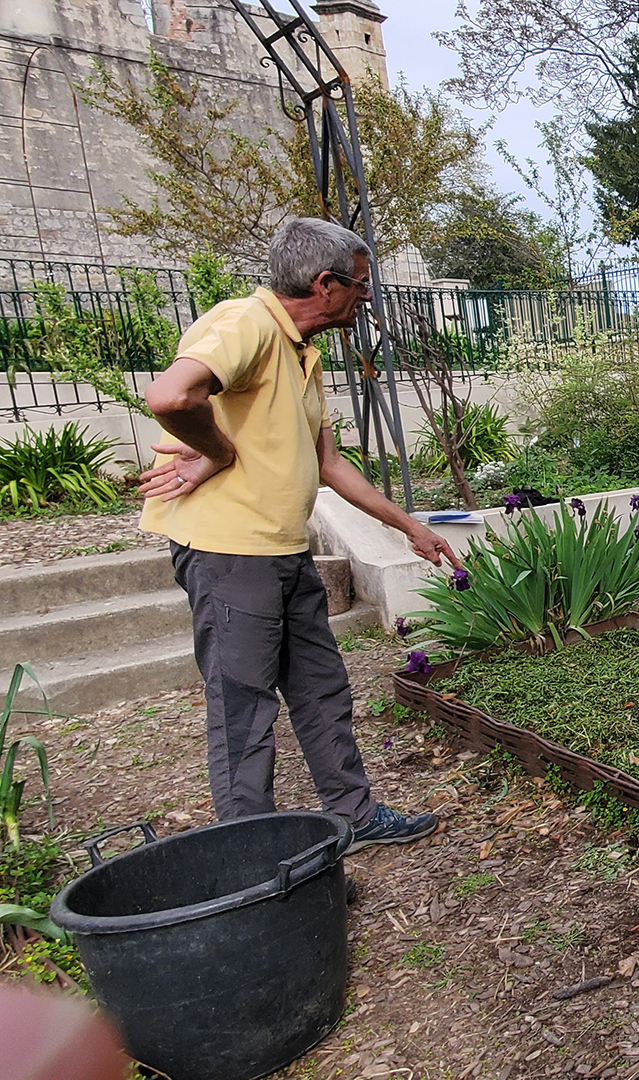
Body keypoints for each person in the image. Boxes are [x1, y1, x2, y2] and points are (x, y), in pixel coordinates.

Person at [139, 217, 460, 850]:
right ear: (325, 282)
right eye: (362, 285)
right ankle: (252, 856)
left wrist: (410, 528)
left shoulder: (300, 353)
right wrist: (219, 452)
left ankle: (355, 816)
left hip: (285, 549)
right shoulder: (246, 323)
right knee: (245, 707)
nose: (367, 298)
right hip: (230, 553)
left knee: (320, 686)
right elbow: (172, 396)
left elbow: (330, 464)